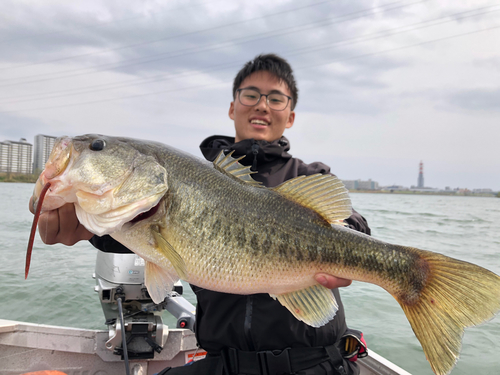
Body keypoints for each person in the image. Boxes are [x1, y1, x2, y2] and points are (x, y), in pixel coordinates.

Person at [31, 54, 370, 375]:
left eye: (276, 98)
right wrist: (83, 227)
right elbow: (124, 236)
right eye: (251, 94)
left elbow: (355, 227)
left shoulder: (310, 177)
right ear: (232, 107)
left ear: (291, 115)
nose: (262, 105)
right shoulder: (190, 180)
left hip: (316, 364)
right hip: (223, 364)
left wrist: (340, 244)